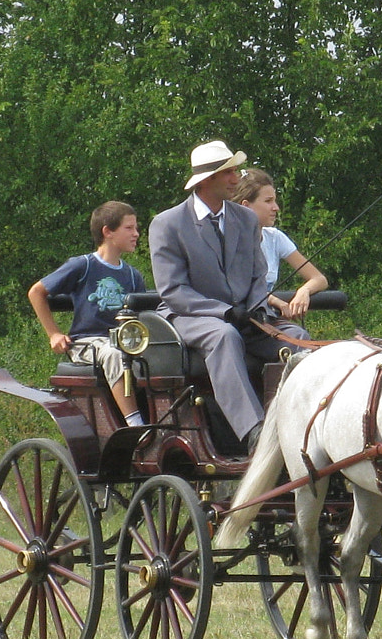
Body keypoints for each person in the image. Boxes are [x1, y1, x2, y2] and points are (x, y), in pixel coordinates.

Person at [149, 141, 307, 453]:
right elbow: (173, 291)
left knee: (297, 338)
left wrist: (256, 306)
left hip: (247, 316)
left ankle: (301, 423)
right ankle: (255, 432)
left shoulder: (245, 219)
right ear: (207, 180)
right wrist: (224, 312)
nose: (237, 178)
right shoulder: (167, 224)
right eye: (229, 172)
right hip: (191, 318)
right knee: (223, 336)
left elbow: (257, 276)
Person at [28, 201, 149, 427]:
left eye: (136, 228)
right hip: (87, 343)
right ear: (107, 232)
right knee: (114, 354)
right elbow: (36, 293)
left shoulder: (133, 276)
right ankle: (135, 424)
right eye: (129, 228)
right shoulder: (83, 266)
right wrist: (53, 334)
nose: (136, 234)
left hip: (125, 342)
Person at [233, 168, 328, 320]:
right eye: (268, 201)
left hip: (267, 318)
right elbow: (238, 290)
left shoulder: (275, 238)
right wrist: (274, 300)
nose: (276, 207)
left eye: (275, 200)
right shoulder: (227, 241)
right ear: (246, 206)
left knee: (300, 337)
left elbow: (319, 279)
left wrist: (304, 291)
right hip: (238, 320)